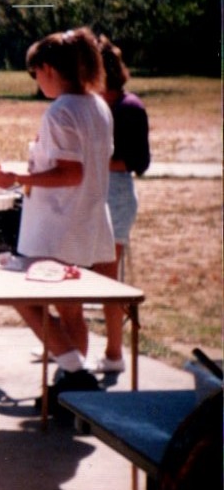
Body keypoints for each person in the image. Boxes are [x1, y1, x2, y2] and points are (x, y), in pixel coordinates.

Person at [0, 27, 115, 406]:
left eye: (35, 74)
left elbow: (71, 173)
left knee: (21, 295)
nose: (36, 82)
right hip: (85, 223)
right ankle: (72, 391)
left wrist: (17, 178)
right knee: (71, 311)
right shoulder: (97, 106)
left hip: (57, 228)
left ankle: (75, 373)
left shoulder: (61, 111)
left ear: (48, 69)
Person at [89, 35, 150, 374]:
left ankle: (114, 354)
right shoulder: (91, 105)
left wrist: (95, 161)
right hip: (91, 192)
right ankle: (71, 346)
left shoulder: (130, 108)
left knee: (107, 279)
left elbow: (139, 162)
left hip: (117, 195)